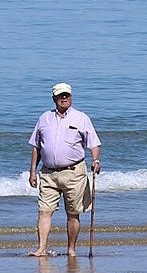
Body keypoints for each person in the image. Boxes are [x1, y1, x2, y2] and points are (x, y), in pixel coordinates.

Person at [27, 82, 101, 257]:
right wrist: (32, 171)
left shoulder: (81, 118)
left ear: (71, 97)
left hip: (74, 173)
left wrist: (96, 160)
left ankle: (71, 250)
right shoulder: (44, 118)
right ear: (54, 99)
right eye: (61, 95)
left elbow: (94, 143)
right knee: (44, 211)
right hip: (48, 173)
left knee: (73, 214)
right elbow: (36, 146)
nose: (64, 98)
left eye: (67, 95)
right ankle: (41, 249)